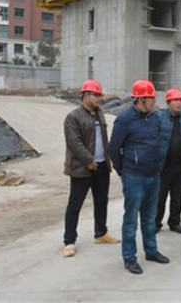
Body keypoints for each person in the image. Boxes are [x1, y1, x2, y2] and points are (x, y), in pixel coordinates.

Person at [109, 80, 169, 275]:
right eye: (152, 98)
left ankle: (151, 251)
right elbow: (113, 148)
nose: (154, 101)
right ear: (141, 99)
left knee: (150, 218)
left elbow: (158, 143)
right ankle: (129, 258)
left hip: (153, 175)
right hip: (133, 177)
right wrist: (123, 170)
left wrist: (158, 166)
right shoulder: (125, 119)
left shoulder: (155, 118)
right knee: (131, 220)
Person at [62, 80, 120, 258]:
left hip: (101, 166)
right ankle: (69, 241)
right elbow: (74, 142)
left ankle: (101, 233)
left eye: (100, 95)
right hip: (82, 168)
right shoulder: (73, 117)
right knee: (75, 204)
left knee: (101, 201)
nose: (99, 99)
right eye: (96, 95)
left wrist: (108, 160)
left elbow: (104, 139)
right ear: (86, 95)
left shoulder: (99, 113)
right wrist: (88, 161)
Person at [155, 88, 181, 234]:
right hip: (164, 166)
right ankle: (156, 223)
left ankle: (174, 222)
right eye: (176, 100)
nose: (179, 103)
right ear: (168, 102)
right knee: (160, 197)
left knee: (178, 197)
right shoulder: (160, 118)